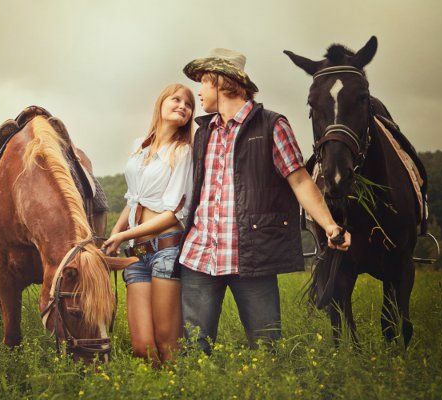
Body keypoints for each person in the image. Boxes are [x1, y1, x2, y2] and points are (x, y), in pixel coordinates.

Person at [175, 48, 351, 354]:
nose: (198, 90)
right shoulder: (204, 132)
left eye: (203, 81)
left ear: (221, 81)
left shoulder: (272, 125)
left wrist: (330, 226)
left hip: (253, 257)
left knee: (267, 348)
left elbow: (299, 180)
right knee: (194, 350)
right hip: (199, 256)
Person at [102, 83, 195, 364]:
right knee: (142, 347)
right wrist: (115, 235)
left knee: (168, 343)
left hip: (166, 249)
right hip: (137, 253)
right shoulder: (138, 146)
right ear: (161, 103)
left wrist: (125, 234)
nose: (182, 106)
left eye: (189, 104)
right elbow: (133, 199)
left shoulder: (183, 152)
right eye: (176, 99)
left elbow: (173, 214)